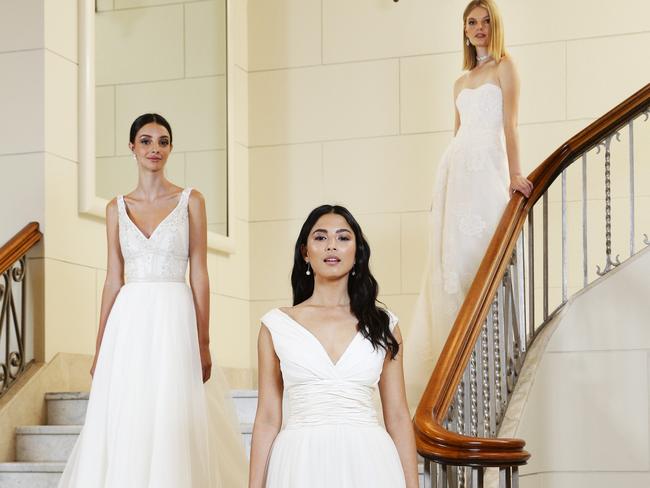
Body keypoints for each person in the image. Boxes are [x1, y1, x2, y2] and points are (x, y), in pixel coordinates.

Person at [58, 113, 247, 487]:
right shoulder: (115, 208)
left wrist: (203, 340)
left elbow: (199, 273)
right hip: (128, 321)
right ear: (132, 147)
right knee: (131, 412)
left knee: (171, 409)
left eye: (162, 141)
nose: (154, 149)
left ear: (171, 148)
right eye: (146, 141)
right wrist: (100, 348)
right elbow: (113, 279)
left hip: (175, 315)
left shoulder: (191, 201)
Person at [403, 0, 533, 408]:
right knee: (452, 267)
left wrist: (515, 174)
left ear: (495, 26)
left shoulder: (504, 67)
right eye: (471, 22)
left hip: (487, 172)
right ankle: (455, 367)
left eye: (484, 21)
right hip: (455, 174)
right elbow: (456, 136)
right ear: (464, 30)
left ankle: (490, 362)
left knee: (483, 259)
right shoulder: (459, 83)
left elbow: (509, 126)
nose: (478, 28)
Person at [248, 205, 419, 488]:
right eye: (320, 237)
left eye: (343, 238)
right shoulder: (276, 326)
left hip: (369, 461)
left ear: (357, 252)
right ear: (305, 251)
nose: (331, 246)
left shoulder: (384, 325)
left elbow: (399, 416)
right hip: (299, 461)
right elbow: (267, 418)